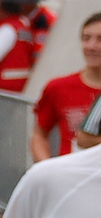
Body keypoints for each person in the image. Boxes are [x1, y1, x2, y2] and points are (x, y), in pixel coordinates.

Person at [31, 12, 101, 161]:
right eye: (86, 38)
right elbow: (39, 134)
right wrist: (48, 171)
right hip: (72, 179)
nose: (91, 46)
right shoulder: (58, 87)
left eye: (100, 39)